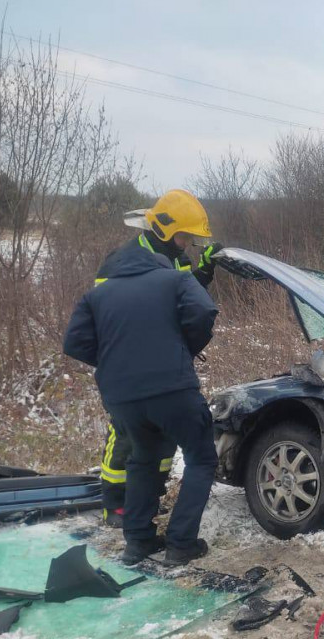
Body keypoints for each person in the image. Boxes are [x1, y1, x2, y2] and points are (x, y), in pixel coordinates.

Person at [63, 192, 220, 567]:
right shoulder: (172, 278)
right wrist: (183, 349)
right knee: (201, 458)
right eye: (183, 240)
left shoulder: (103, 287)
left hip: (121, 394)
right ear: (163, 242)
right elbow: (202, 311)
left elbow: (75, 341)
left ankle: (138, 543)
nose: (186, 249)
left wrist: (117, 363)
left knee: (144, 457)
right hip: (170, 387)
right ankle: (181, 544)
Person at [95, 190, 222, 528]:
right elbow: (106, 313)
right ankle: (114, 504)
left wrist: (205, 271)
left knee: (160, 440)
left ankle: (145, 504)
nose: (187, 244)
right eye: (184, 236)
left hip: (163, 366)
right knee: (125, 435)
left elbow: (184, 298)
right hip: (127, 363)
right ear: (164, 230)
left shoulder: (174, 258)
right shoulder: (121, 262)